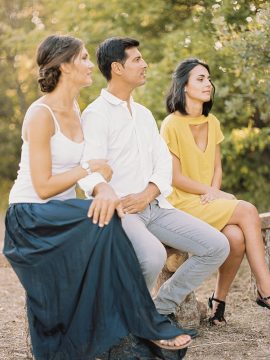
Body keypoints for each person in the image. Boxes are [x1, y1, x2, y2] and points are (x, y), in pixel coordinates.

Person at [3, 35, 196, 360]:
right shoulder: (40, 115)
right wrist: (89, 170)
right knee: (107, 226)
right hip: (31, 217)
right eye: (82, 58)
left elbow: (95, 173)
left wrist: (105, 188)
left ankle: (117, 326)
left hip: (62, 214)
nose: (91, 64)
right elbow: (44, 185)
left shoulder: (77, 109)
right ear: (64, 66)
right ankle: (145, 320)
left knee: (111, 220)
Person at [79, 37, 230, 324]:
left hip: (155, 206)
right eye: (137, 59)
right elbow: (89, 169)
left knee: (217, 246)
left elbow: (163, 164)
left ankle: (157, 309)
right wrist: (110, 195)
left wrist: (149, 193)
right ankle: (118, 319)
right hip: (122, 210)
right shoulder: (96, 114)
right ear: (117, 68)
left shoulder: (145, 115)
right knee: (151, 257)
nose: (144, 64)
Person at [160, 57, 270, 325]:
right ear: (184, 85)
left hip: (206, 200)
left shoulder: (213, 122)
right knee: (248, 210)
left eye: (208, 78)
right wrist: (212, 193)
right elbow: (174, 177)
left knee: (234, 237)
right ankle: (265, 289)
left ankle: (218, 302)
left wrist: (215, 192)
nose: (208, 83)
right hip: (181, 204)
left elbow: (216, 168)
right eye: (200, 78)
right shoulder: (170, 124)